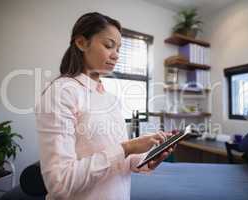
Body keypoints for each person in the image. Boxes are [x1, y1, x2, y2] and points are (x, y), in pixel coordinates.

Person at [35, 12, 174, 200]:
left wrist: (145, 160)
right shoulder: (62, 92)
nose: (116, 55)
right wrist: (127, 147)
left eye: (118, 48)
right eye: (109, 45)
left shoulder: (110, 99)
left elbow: (117, 159)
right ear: (82, 43)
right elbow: (60, 183)